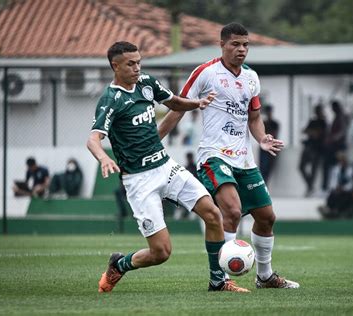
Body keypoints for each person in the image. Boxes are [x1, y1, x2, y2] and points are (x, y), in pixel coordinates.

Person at [87, 41, 249, 293]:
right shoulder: (111, 100)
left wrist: (198, 103)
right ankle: (119, 264)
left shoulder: (147, 83)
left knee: (213, 214)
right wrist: (104, 158)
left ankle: (218, 281)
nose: (137, 67)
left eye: (139, 62)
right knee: (161, 252)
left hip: (166, 167)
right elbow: (93, 138)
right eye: (130, 63)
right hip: (139, 181)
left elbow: (173, 102)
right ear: (115, 66)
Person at [159, 23, 299, 289]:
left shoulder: (251, 78)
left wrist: (262, 138)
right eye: (235, 44)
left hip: (244, 159)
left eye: (245, 44)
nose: (241, 49)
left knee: (267, 217)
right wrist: (153, 142)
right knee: (232, 211)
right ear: (222, 44)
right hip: (214, 157)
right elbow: (177, 108)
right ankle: (221, 279)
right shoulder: (205, 73)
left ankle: (265, 276)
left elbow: (254, 118)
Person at [299, 103, 327, 196]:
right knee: (301, 167)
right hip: (309, 147)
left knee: (314, 170)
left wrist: (313, 132)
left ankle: (310, 187)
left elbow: (319, 134)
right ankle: (310, 186)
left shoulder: (323, 122)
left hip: (317, 149)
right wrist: (313, 132)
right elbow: (305, 130)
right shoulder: (313, 121)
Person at [317, 151, 353, 219]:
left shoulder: (351, 169)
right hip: (337, 190)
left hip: (346, 190)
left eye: (343, 160)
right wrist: (336, 187)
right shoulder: (336, 169)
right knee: (332, 195)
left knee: (345, 197)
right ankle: (329, 210)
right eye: (340, 160)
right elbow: (332, 181)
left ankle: (337, 212)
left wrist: (343, 188)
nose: (342, 162)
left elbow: (352, 182)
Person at [321, 100, 349, 192]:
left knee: (339, 167)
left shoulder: (342, 117)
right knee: (329, 166)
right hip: (334, 147)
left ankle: (339, 187)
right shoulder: (337, 117)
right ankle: (327, 187)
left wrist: (333, 139)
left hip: (339, 146)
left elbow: (342, 132)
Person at [258, 105, 280, 185]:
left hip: (271, 148)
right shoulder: (264, 123)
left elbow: (274, 135)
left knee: (268, 169)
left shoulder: (274, 123)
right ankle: (264, 185)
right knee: (263, 168)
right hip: (264, 149)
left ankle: (265, 185)